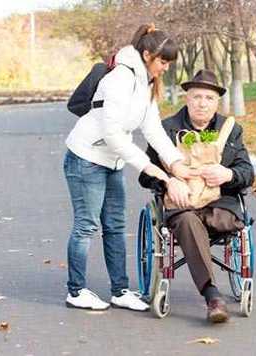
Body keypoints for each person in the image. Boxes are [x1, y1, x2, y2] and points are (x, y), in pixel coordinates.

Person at [63, 24, 196, 311]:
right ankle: (75, 291)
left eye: (169, 63)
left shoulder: (145, 83)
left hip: (112, 161)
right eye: (163, 62)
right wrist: (153, 169)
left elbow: (153, 130)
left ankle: (120, 291)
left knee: (115, 226)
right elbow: (112, 135)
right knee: (87, 226)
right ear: (147, 54)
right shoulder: (120, 79)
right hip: (86, 158)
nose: (166, 68)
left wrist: (175, 163)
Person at [138, 69, 255, 323]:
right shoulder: (166, 129)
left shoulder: (230, 130)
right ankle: (212, 296)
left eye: (209, 98)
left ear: (217, 103)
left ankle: (211, 288)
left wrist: (227, 174)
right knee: (190, 222)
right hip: (183, 206)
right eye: (197, 96)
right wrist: (169, 182)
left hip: (220, 203)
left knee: (213, 221)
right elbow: (144, 174)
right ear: (187, 99)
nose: (202, 103)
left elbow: (247, 173)